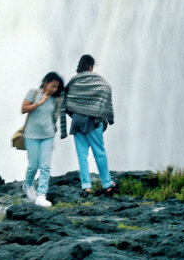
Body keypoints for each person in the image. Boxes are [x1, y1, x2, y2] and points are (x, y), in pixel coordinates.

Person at [60, 54, 116, 196]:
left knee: (81, 155)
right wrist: (99, 111)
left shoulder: (74, 81)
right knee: (99, 153)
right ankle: (107, 184)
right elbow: (106, 90)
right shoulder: (98, 80)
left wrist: (76, 113)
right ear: (90, 66)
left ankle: (86, 186)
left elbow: (65, 99)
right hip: (94, 121)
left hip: (77, 122)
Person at [21, 72, 65, 208]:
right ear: (45, 82)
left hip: (48, 136)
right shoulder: (33, 93)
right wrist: (40, 102)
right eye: (53, 86)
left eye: (57, 87)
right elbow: (23, 109)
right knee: (33, 165)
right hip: (31, 136)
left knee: (45, 166)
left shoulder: (56, 98)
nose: (54, 89)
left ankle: (41, 195)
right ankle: (27, 185)